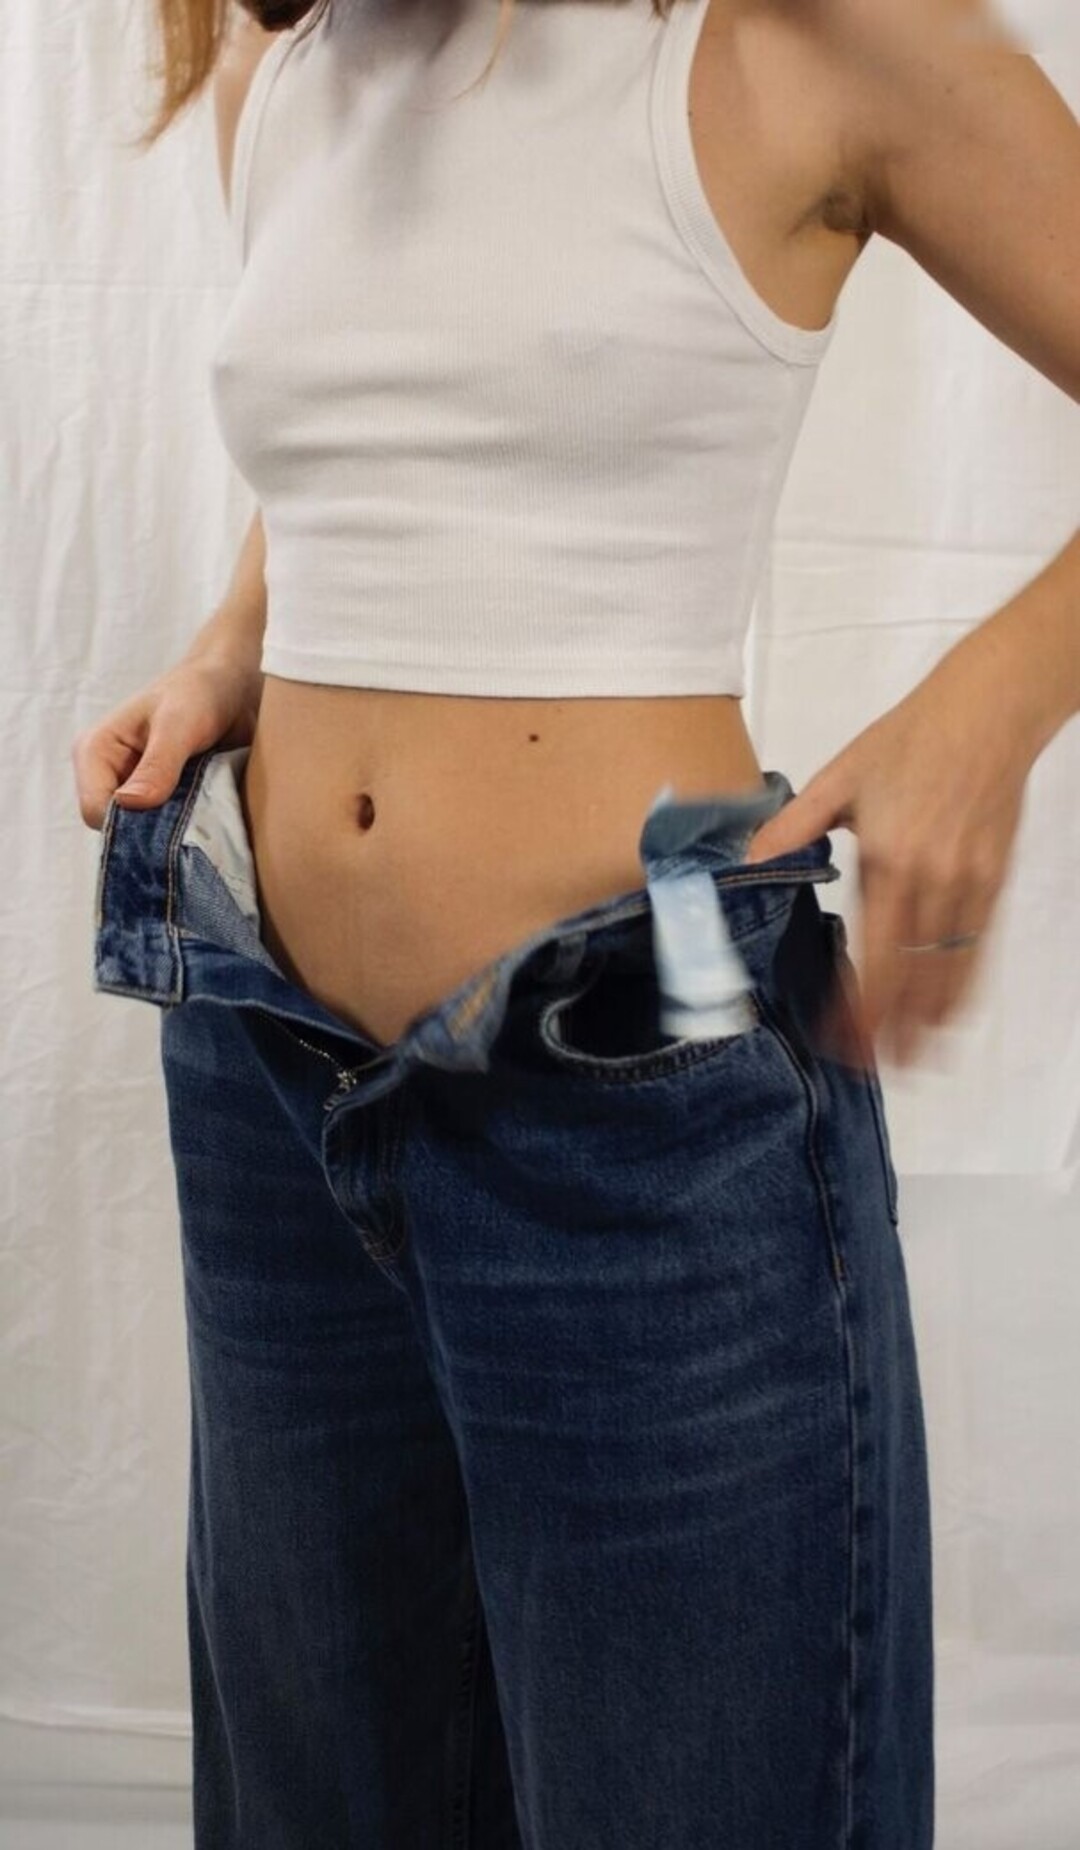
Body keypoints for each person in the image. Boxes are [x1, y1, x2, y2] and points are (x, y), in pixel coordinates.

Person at [71, 1, 1080, 1844]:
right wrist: (230, 650)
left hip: (641, 1085)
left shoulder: (795, 39)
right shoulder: (288, 63)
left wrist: (986, 711)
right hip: (267, 1071)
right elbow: (380, 429)